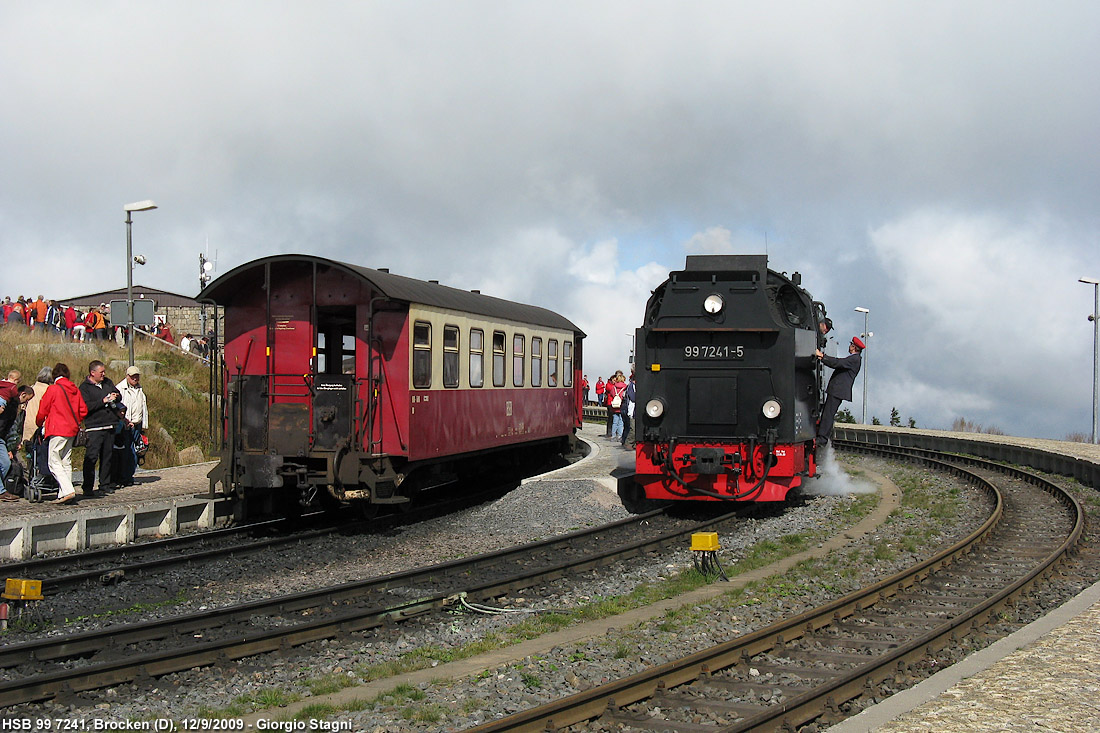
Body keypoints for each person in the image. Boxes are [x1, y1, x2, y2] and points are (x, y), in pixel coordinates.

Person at [36, 363, 88, 504]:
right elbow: (83, 410)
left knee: (54, 461)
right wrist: (75, 420)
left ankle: (67, 490)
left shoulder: (53, 389)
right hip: (72, 429)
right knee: (66, 460)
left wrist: (39, 422)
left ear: (54, 376)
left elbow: (43, 409)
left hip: (57, 428)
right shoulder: (75, 389)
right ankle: (62, 493)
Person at [79, 360, 123, 496]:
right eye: (101, 372)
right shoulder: (84, 388)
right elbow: (86, 407)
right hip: (94, 427)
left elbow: (118, 394)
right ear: (93, 373)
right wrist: (103, 401)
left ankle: (105, 484)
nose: (104, 374)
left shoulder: (108, 382)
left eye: (104, 372)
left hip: (110, 425)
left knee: (107, 457)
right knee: (91, 457)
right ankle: (87, 487)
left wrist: (115, 397)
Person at [815, 336, 865, 446]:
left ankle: (822, 439)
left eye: (851, 345)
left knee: (828, 414)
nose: (849, 346)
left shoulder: (854, 359)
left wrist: (822, 356)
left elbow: (837, 363)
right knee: (828, 413)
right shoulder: (855, 359)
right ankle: (823, 436)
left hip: (838, 390)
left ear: (853, 347)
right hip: (838, 390)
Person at [0, 380, 33, 502]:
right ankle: (1, 491)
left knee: (5, 464)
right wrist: (12, 446)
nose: (27, 402)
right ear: (23, 394)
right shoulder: (10, 403)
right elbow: (11, 428)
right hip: (2, 435)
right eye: (27, 399)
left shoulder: (14, 406)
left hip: (1, 437)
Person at [116, 365, 149, 487]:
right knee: (126, 452)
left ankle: (129, 476)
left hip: (137, 425)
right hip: (125, 425)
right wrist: (123, 420)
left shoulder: (140, 390)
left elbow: (144, 408)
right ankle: (123, 477)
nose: (135, 378)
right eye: (133, 376)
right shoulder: (120, 389)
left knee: (136, 451)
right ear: (127, 376)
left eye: (137, 376)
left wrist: (144, 425)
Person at [605, 373, 628, 440]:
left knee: (615, 422)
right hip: (621, 406)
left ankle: (613, 435)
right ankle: (619, 435)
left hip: (615, 406)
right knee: (620, 422)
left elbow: (612, 394)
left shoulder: (614, 387)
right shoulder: (625, 387)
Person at [621, 371, 636, 447]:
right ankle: (628, 443)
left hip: (635, 410)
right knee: (632, 428)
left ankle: (633, 444)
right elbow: (633, 397)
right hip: (632, 410)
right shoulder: (631, 386)